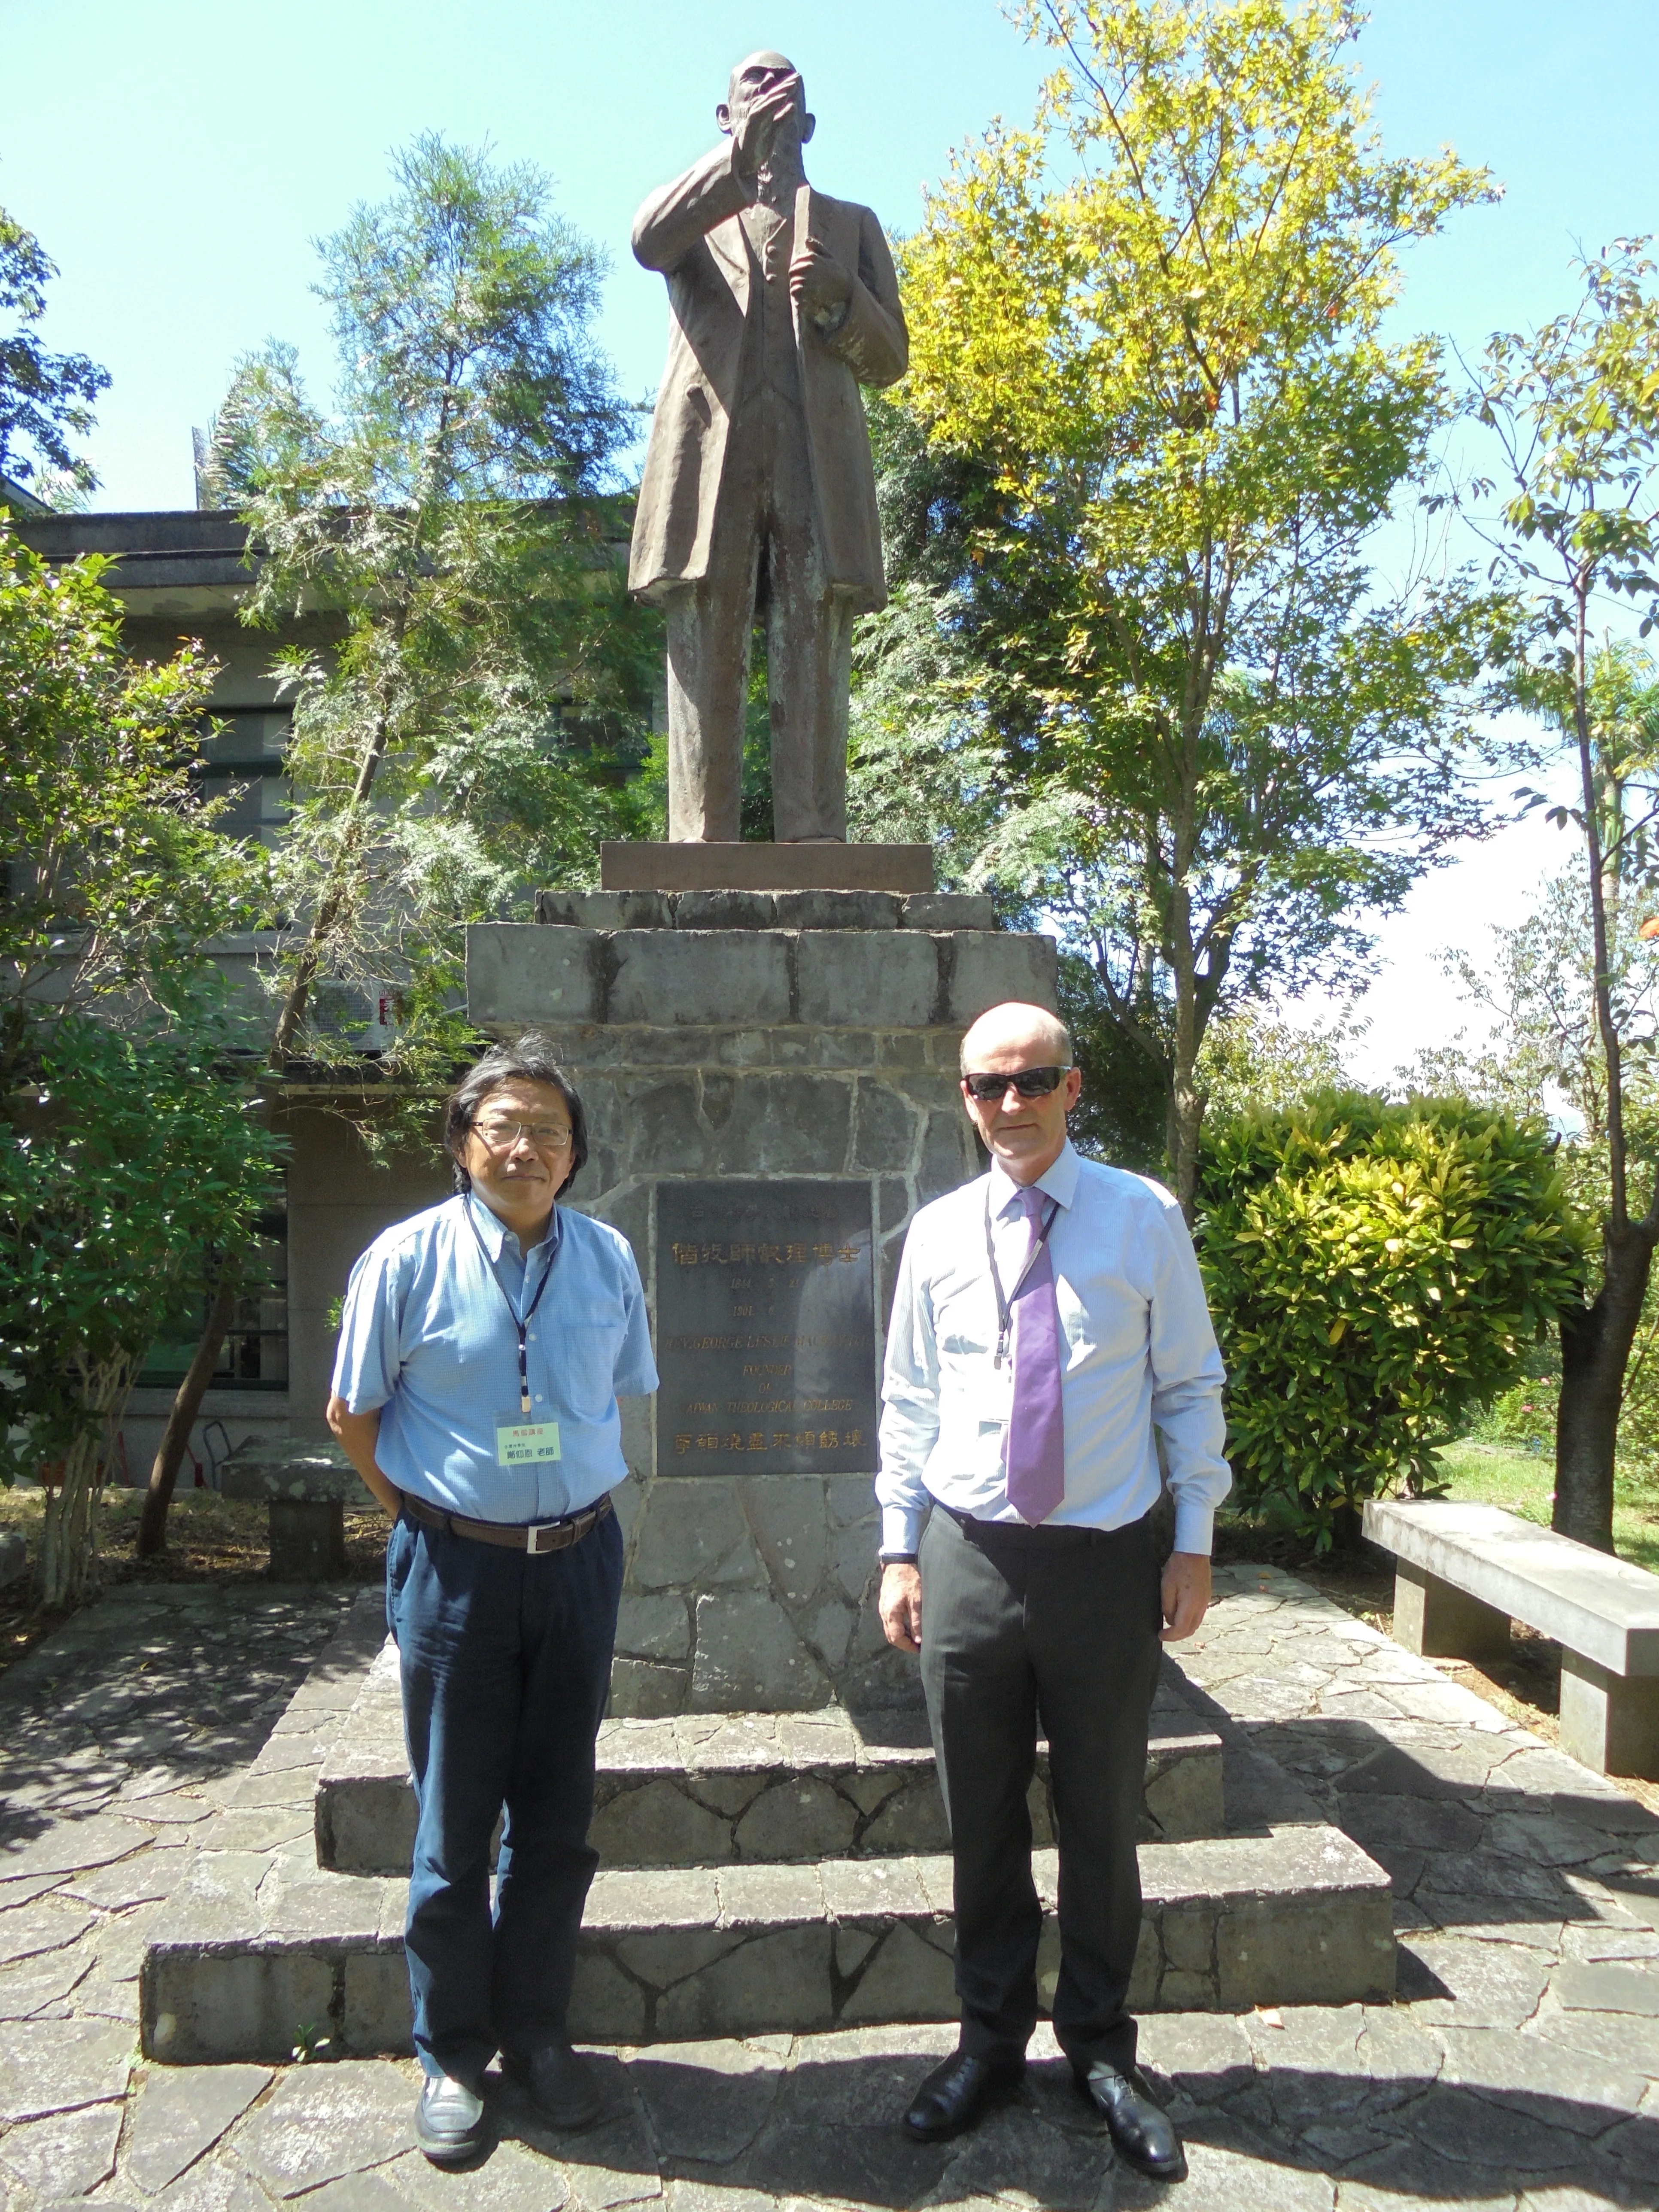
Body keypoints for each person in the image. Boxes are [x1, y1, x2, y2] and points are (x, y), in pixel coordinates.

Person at [875, 1000, 1231, 2182]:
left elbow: (1188, 1386)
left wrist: (1192, 1542)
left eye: (1034, 1080)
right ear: (964, 1097)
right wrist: (898, 1547)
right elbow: (908, 1400)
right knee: (980, 1819)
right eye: (990, 1084)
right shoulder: (938, 1233)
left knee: (1101, 1816)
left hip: (1104, 1562)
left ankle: (1100, 2049)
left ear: (1073, 1088)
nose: (1012, 1102)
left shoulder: (1141, 1216)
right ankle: (988, 2044)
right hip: (969, 1556)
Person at [326, 1036, 656, 2167]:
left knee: (558, 1821)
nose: (526, 1147)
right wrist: (426, 1515)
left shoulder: (609, 1258)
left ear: (574, 1153)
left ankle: (539, 2034)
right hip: (454, 1569)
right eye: (503, 1125)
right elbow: (352, 1414)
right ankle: (453, 2055)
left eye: (548, 1130)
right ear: (464, 1142)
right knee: (457, 1821)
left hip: (578, 1561)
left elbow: (617, 1396)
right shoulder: (404, 1258)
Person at [628, 49, 908, 843]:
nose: (770, 93)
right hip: (710, 460)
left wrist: (843, 299)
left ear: (809, 125)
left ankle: (814, 837)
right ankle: (700, 839)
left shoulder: (852, 225)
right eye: (753, 83)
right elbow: (646, 240)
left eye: (785, 85)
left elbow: (891, 359)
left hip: (815, 461)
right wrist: (735, 161)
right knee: (705, 632)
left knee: (813, 638)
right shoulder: (694, 215)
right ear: (726, 118)